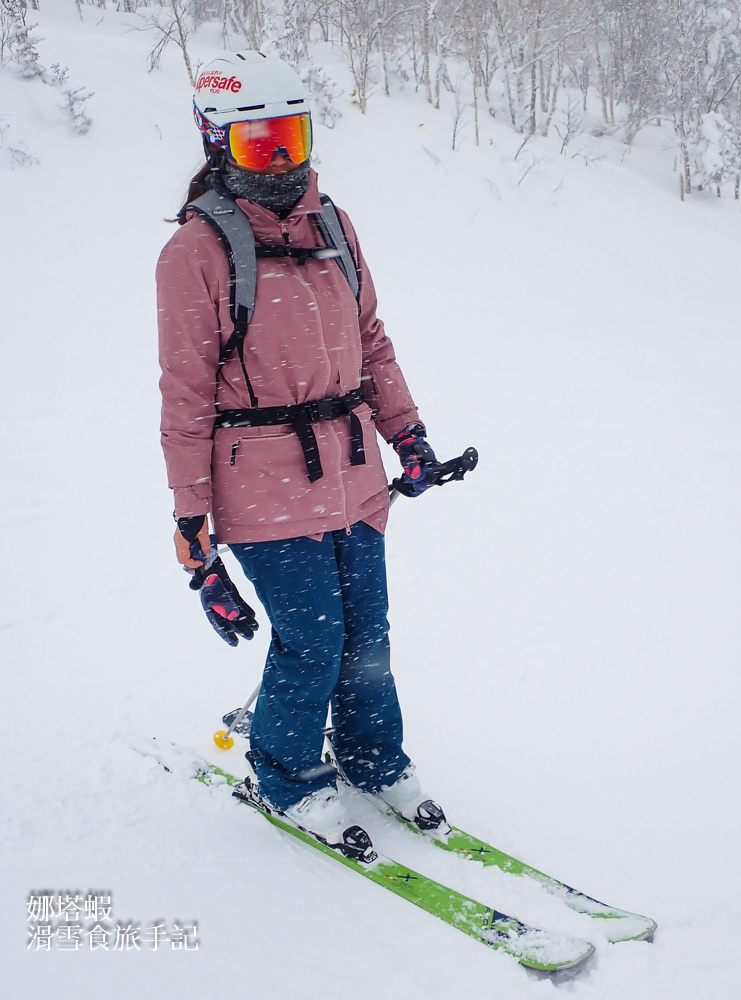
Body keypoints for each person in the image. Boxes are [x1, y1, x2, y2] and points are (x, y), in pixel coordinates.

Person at [157, 51, 442, 847]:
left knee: (368, 634)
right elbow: (184, 395)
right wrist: (192, 523)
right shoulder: (196, 253)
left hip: (353, 471)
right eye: (259, 144)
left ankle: (372, 759)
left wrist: (407, 434)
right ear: (217, 144)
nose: (281, 160)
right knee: (313, 639)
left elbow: (370, 341)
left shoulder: (335, 227)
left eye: (292, 137)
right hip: (260, 482)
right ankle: (285, 774)